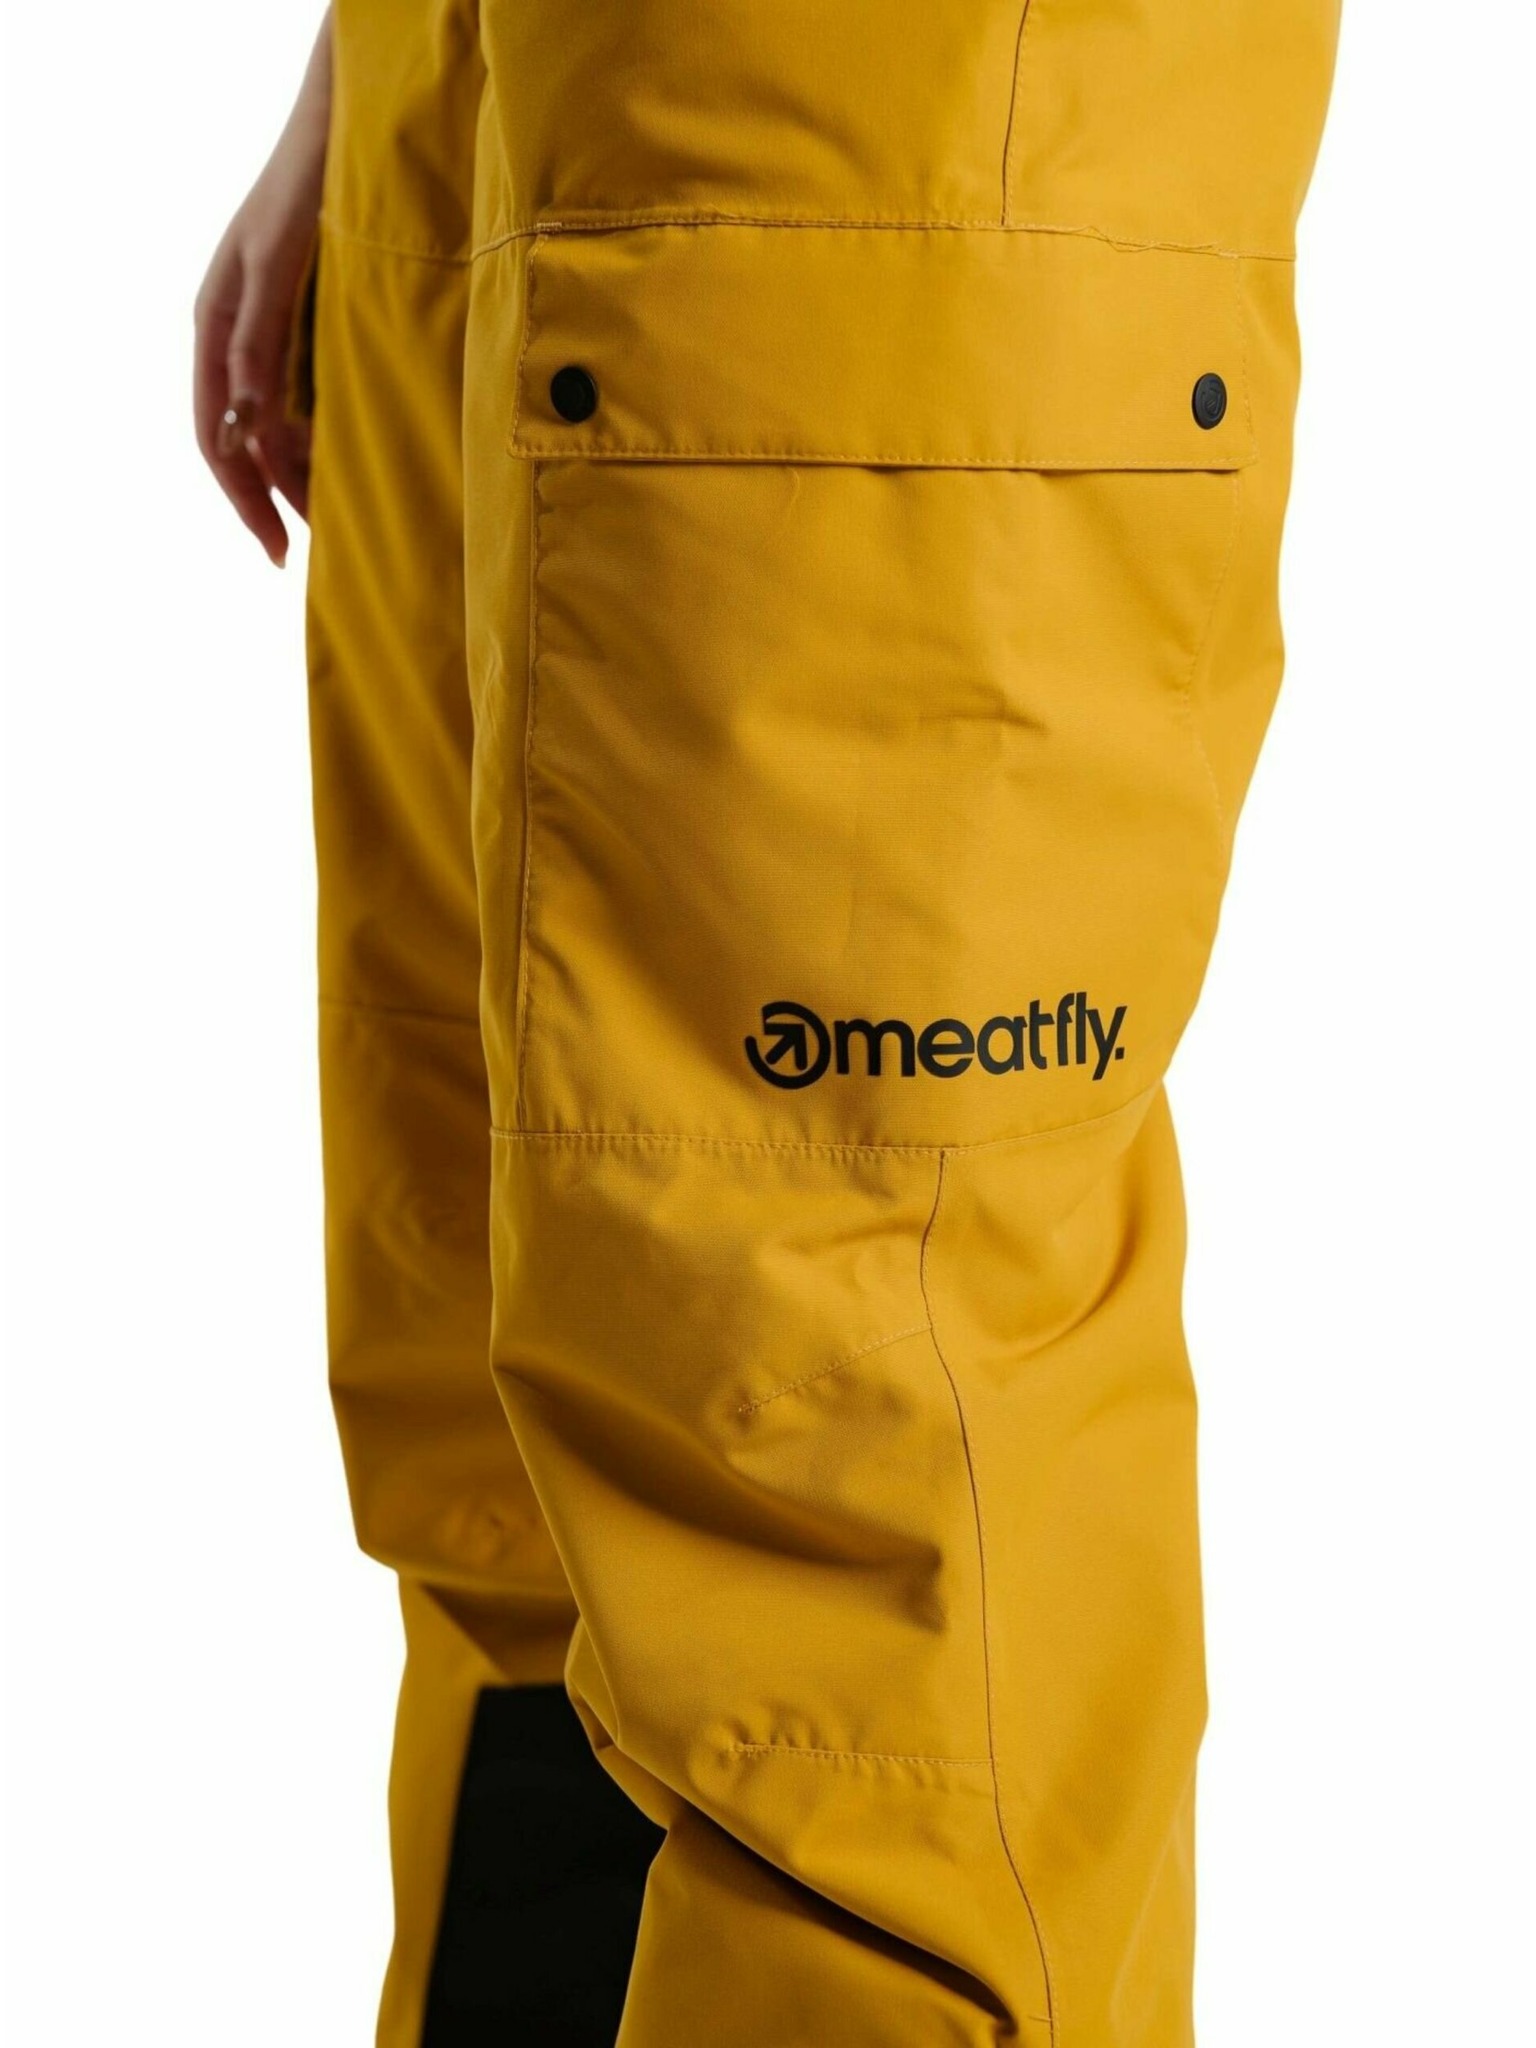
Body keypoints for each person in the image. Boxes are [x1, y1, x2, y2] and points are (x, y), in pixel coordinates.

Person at [195, 5, 1340, 2043]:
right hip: (482, 97)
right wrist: (360, 73)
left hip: (872, 95)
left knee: (851, 1539)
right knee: (516, 1439)